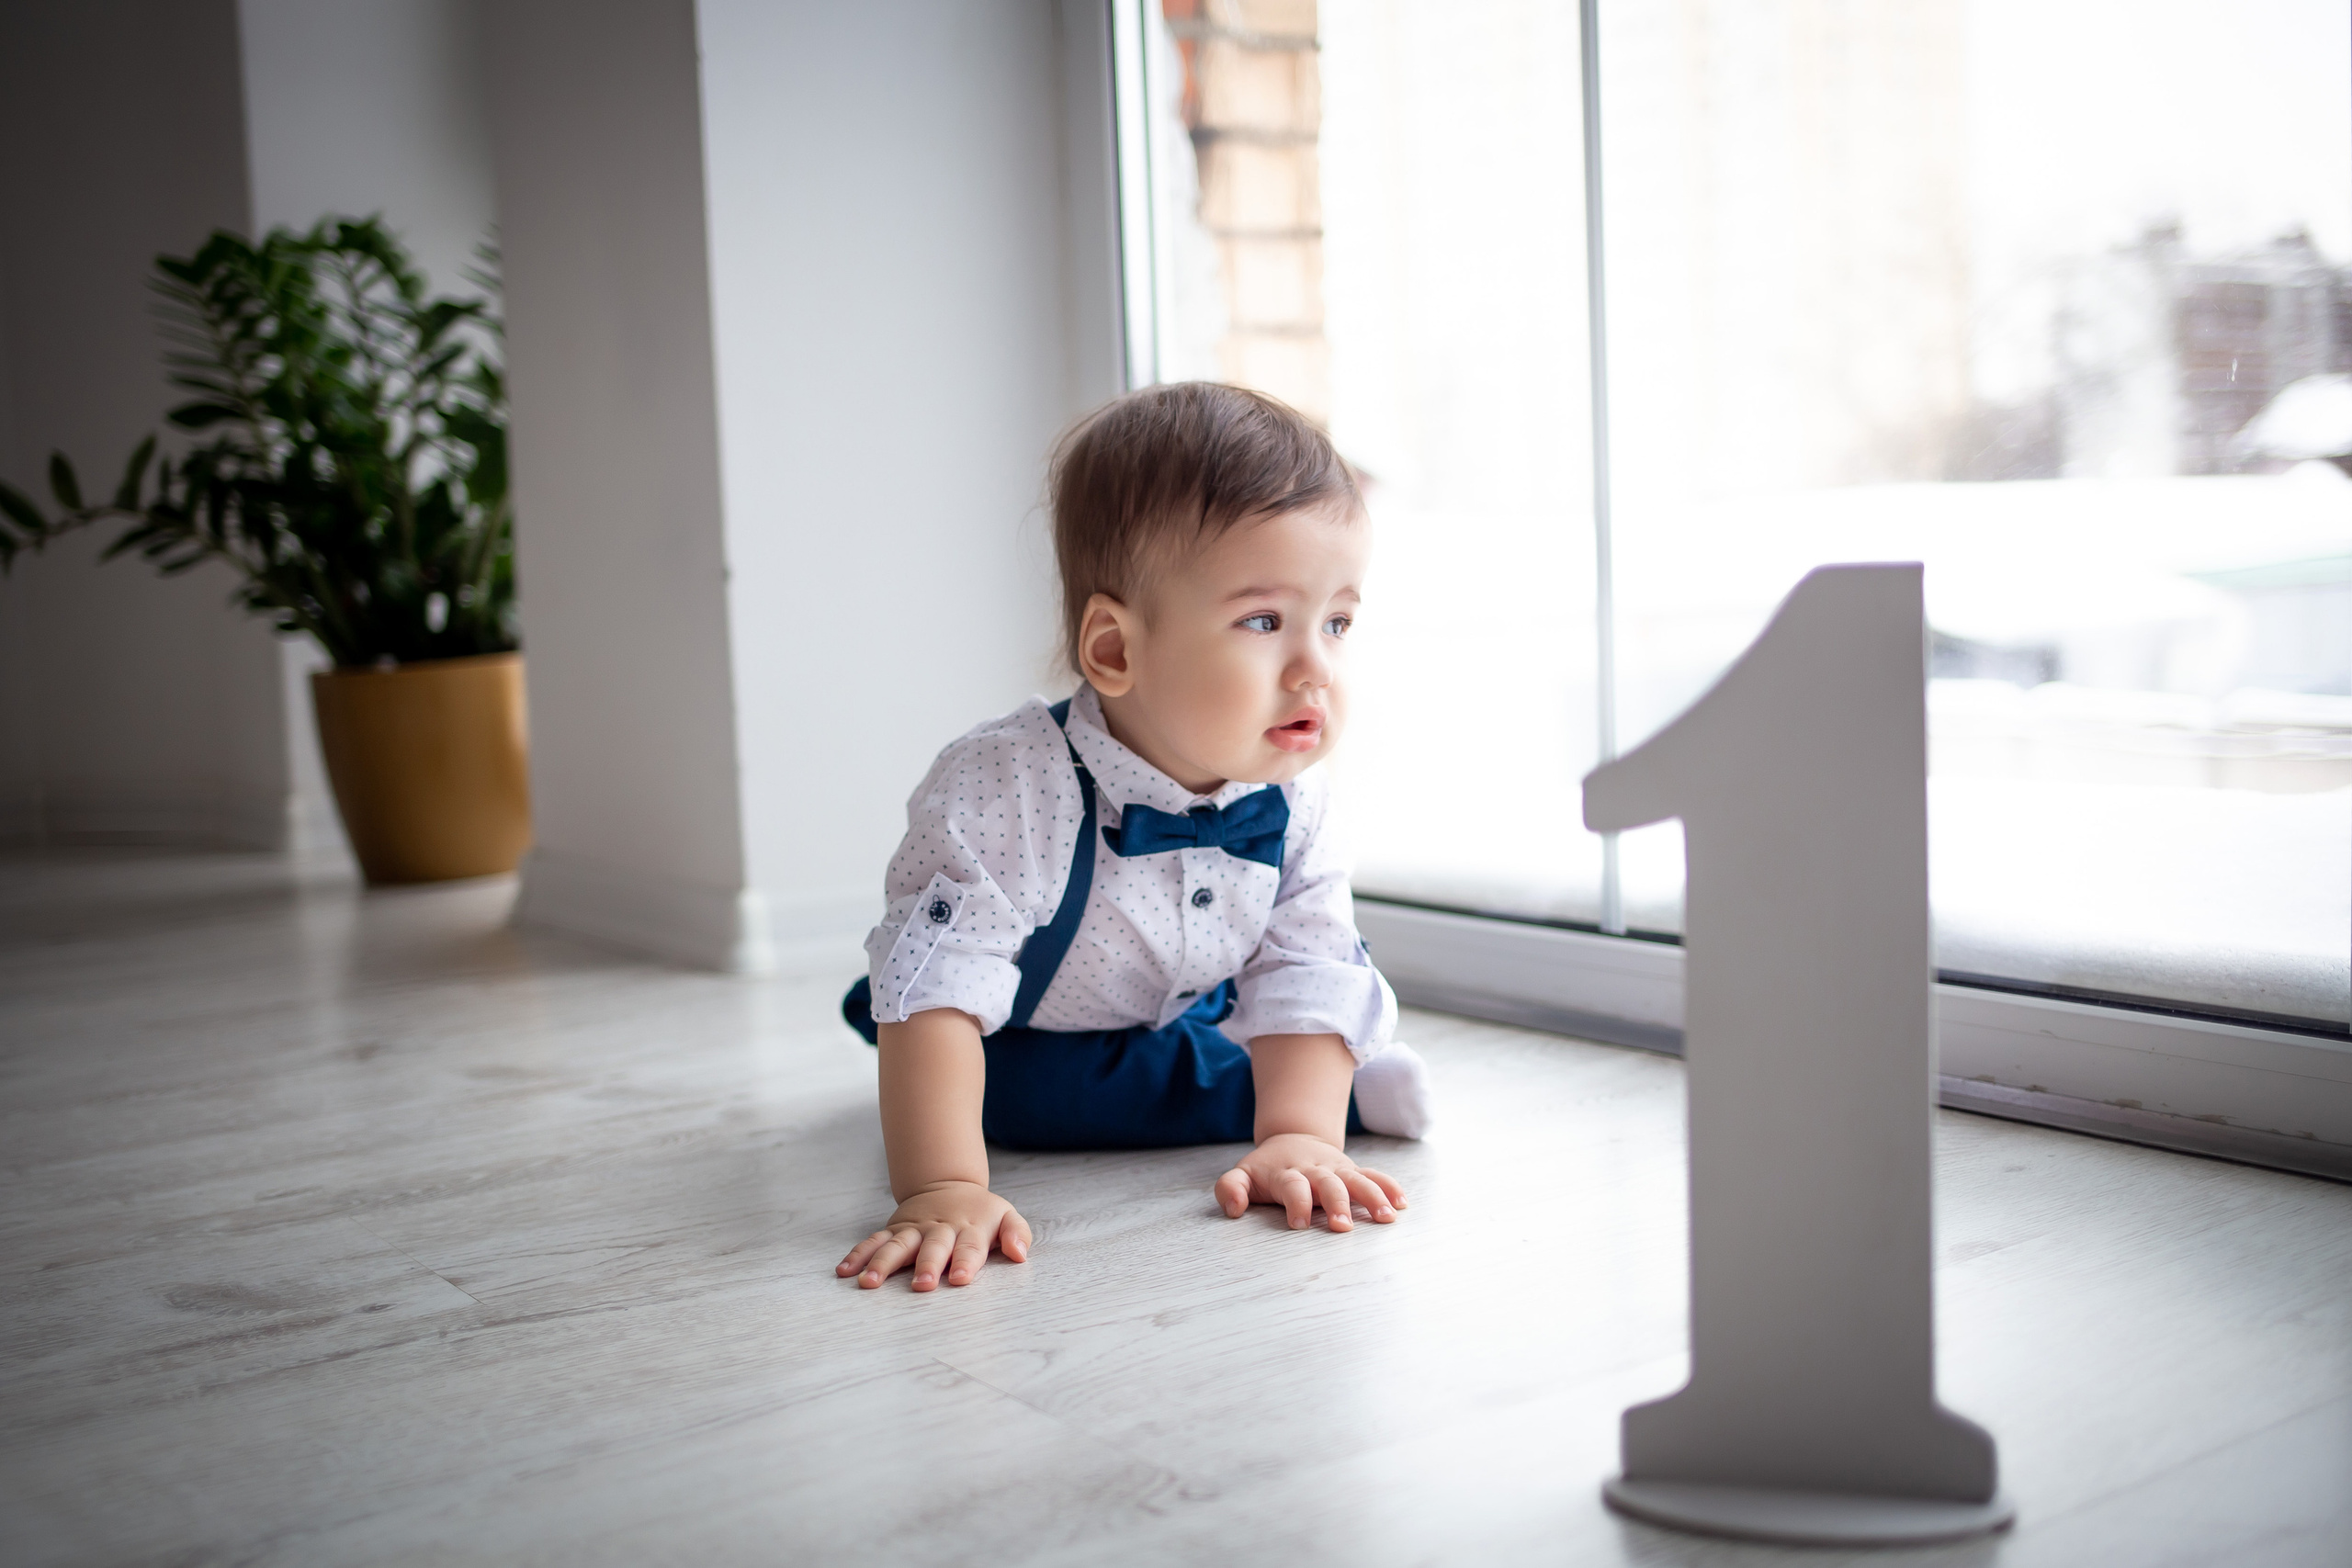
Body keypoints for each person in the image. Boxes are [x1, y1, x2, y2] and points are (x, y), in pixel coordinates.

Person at [835, 382, 1434, 1293]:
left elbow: (1303, 965)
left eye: (1338, 623)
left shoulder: (1294, 802)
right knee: (1036, 1098)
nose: (1315, 668)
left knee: (1273, 1033)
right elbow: (940, 988)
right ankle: (1307, 1090)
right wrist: (942, 1187)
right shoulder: (1011, 784)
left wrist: (1301, 1140)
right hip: (1030, 1034)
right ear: (1113, 650)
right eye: (1264, 622)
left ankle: (1314, 1103)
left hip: (1179, 1000)